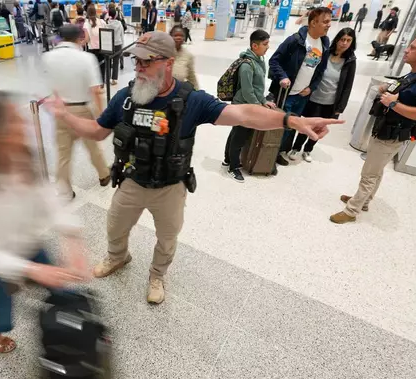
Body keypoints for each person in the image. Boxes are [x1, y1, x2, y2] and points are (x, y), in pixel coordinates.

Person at [46, 32, 341, 303]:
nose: (138, 67)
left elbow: (244, 114)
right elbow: (98, 131)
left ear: (169, 63)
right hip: (132, 181)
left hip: (171, 187)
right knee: (115, 225)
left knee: (167, 237)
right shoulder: (126, 98)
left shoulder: (192, 101)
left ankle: (157, 276)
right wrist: (65, 115)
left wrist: (290, 120)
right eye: (136, 60)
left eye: (147, 61)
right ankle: (117, 257)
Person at [0, 91, 88, 353]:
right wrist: (29, 270)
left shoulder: (24, 158)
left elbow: (49, 199)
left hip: (31, 245)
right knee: (2, 312)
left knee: (59, 287)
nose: (25, 124)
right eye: (14, 120)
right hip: (2, 261)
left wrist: (73, 239)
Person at [331, 33, 416, 224]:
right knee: (376, 170)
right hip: (384, 128)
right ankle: (364, 200)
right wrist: (388, 89)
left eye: (413, 47)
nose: (406, 49)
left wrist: (393, 104)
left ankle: (351, 211)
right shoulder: (415, 73)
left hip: (392, 135)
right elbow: (404, 91)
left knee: (369, 173)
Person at [43, 25, 111, 200]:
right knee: (93, 147)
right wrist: (102, 115)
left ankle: (65, 190)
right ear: (79, 38)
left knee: (63, 154)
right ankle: (104, 175)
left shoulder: (47, 58)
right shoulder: (86, 58)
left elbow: (44, 86)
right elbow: (96, 90)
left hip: (60, 110)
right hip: (81, 110)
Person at [268, 6, 331, 167]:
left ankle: (279, 152)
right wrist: (282, 76)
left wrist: (312, 88)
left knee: (292, 127)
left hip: (302, 96)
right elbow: (274, 61)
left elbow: (320, 70)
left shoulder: (324, 43)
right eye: (325, 22)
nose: (328, 25)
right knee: (279, 125)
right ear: (313, 22)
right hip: (286, 93)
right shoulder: (295, 40)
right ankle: (269, 154)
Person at [290, 28, 356, 162]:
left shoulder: (350, 61)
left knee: (319, 126)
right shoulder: (325, 52)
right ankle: (296, 148)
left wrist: (340, 108)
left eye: (348, 40)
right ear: (337, 39)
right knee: (307, 124)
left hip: (330, 102)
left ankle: (308, 149)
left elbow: (348, 86)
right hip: (313, 97)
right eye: (342, 39)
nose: (344, 43)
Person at [223, 29, 274, 183]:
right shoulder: (247, 64)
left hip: (250, 104)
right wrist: (258, 106)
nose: (268, 47)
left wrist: (263, 101)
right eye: (265, 44)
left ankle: (227, 159)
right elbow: (247, 91)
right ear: (254, 45)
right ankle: (233, 167)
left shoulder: (259, 60)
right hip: (243, 106)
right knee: (240, 136)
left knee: (236, 133)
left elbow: (257, 87)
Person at [84, 6, 107, 85]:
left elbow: (87, 40)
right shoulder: (102, 22)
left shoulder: (86, 24)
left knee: (93, 68)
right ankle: (102, 83)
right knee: (102, 66)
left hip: (91, 50)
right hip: (102, 48)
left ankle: (94, 84)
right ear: (95, 12)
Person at [107, 7, 125, 85]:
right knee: (116, 62)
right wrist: (123, 45)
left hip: (109, 44)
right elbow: (122, 35)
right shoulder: (119, 24)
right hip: (118, 44)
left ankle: (107, 79)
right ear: (116, 15)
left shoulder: (107, 23)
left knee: (108, 62)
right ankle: (114, 79)